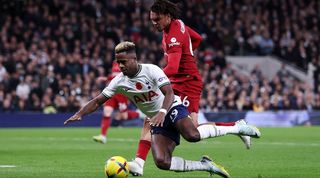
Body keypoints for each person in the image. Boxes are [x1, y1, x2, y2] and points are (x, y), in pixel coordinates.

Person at [64, 41, 260, 178]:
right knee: (162, 162)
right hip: (157, 120)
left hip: (171, 108)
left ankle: (237, 126)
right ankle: (204, 165)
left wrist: (162, 112)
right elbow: (98, 101)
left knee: (192, 135)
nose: (120, 66)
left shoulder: (151, 70)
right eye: (118, 62)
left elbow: (168, 93)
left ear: (134, 59)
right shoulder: (119, 82)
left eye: (123, 62)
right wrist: (79, 114)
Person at [129, 0, 257, 176]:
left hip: (186, 82)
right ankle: (139, 162)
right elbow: (197, 39)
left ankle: (236, 127)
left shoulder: (173, 35)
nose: (154, 23)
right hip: (180, 80)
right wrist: (186, 53)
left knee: (190, 130)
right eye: (152, 20)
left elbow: (173, 68)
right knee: (157, 118)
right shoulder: (176, 26)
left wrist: (152, 78)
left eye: (157, 19)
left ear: (168, 16)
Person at [92, 61, 143, 144]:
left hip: (122, 93)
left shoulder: (128, 62)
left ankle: (139, 114)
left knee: (124, 116)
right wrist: (105, 79)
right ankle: (103, 136)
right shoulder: (115, 62)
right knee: (107, 112)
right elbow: (114, 76)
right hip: (112, 91)